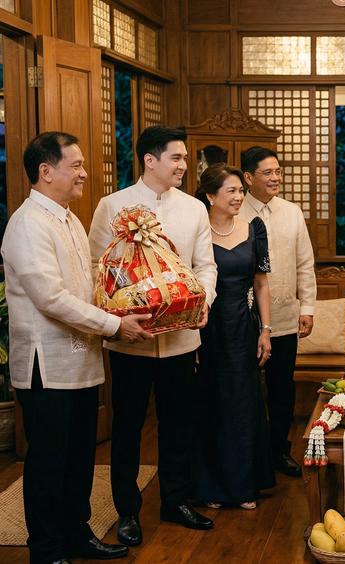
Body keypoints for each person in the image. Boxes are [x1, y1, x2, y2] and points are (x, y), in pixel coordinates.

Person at [4, 132, 152, 564]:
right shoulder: (27, 223)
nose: (85, 172)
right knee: (49, 463)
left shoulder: (68, 217)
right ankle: (46, 549)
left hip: (83, 358)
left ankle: (76, 532)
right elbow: (50, 297)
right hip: (45, 365)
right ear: (46, 172)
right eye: (76, 165)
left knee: (80, 457)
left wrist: (131, 297)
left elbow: (88, 281)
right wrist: (113, 324)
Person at [88, 125, 218, 546]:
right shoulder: (112, 205)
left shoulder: (195, 208)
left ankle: (174, 500)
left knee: (178, 421)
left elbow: (206, 265)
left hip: (182, 337)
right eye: (177, 158)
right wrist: (117, 314)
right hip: (131, 338)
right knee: (126, 426)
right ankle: (127, 510)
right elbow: (96, 267)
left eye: (184, 159)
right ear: (150, 160)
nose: (185, 166)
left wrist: (204, 301)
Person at [191, 163, 276, 509]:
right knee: (209, 404)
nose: (240, 196)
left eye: (242, 190)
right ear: (210, 196)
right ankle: (211, 487)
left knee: (242, 406)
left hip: (243, 327)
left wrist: (266, 331)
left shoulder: (254, 229)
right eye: (232, 191)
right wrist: (189, 338)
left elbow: (261, 283)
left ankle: (243, 486)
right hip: (205, 328)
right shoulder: (194, 232)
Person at [238, 146, 316, 478]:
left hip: (285, 316)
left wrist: (308, 307)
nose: (275, 178)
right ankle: (249, 456)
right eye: (268, 172)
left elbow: (305, 263)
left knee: (282, 389)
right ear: (248, 178)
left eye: (278, 171)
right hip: (244, 318)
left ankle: (278, 452)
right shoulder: (233, 209)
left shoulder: (291, 211)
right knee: (246, 389)